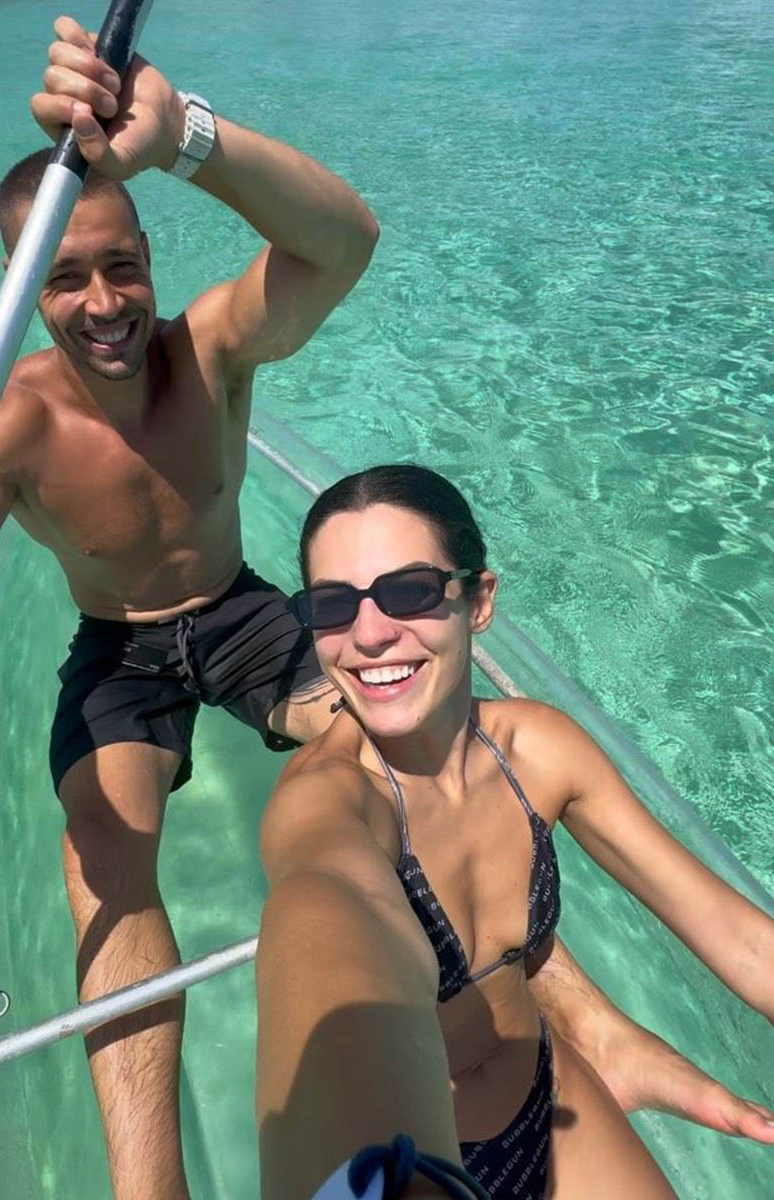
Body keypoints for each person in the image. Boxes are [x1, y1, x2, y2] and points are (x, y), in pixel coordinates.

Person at [0, 18, 768, 1200]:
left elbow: (342, 241)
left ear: (149, 256)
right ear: (18, 290)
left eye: (121, 264)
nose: (104, 301)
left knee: (416, 753)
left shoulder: (208, 354)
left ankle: (570, 1010)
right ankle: (150, 1186)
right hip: (121, 650)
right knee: (100, 847)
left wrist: (184, 136)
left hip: (240, 613)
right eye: (64, 276)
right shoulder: (6, 425)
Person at [254, 463, 774, 1200]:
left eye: (410, 591)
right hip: (433, 1159)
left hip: (550, 1097)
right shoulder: (328, 802)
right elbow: (323, 921)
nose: (369, 634)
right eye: (333, 606)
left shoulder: (538, 751)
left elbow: (739, 938)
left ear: (479, 601)